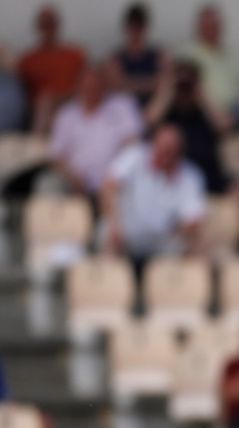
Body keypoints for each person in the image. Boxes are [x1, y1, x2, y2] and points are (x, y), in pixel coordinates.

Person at [100, 124, 207, 292]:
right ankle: (108, 293)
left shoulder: (191, 175)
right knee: (106, 232)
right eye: (162, 149)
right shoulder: (135, 155)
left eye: (170, 151)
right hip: (127, 230)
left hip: (163, 238)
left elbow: (193, 220)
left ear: (179, 152)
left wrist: (176, 231)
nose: (165, 155)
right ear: (153, 145)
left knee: (197, 243)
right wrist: (115, 223)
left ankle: (173, 296)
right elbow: (109, 186)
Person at [48, 64, 143, 196]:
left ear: (105, 85)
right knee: (48, 184)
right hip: (76, 184)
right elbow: (56, 155)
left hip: (116, 182)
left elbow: (133, 143)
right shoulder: (66, 114)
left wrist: (116, 173)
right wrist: (71, 176)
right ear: (78, 87)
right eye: (88, 87)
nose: (92, 91)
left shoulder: (122, 105)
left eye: (96, 86)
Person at [145, 59, 232, 194]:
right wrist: (168, 90)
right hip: (169, 180)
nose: (184, 89)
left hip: (207, 178)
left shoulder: (205, 112)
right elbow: (148, 121)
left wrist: (202, 95)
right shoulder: (166, 112)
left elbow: (225, 127)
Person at [16, 4, 86, 134]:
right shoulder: (28, 60)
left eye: (50, 24)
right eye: (44, 25)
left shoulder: (74, 55)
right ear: (38, 27)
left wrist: (58, 98)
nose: (47, 29)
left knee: (49, 103)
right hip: (42, 112)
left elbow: (87, 84)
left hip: (72, 105)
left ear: (57, 26)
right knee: (45, 104)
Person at [108, 3, 166, 107]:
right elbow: (116, 86)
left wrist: (129, 84)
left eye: (139, 26)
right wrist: (150, 83)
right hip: (124, 109)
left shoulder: (158, 56)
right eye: (133, 26)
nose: (136, 31)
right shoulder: (116, 59)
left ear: (144, 28)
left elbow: (164, 83)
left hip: (152, 108)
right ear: (127, 27)